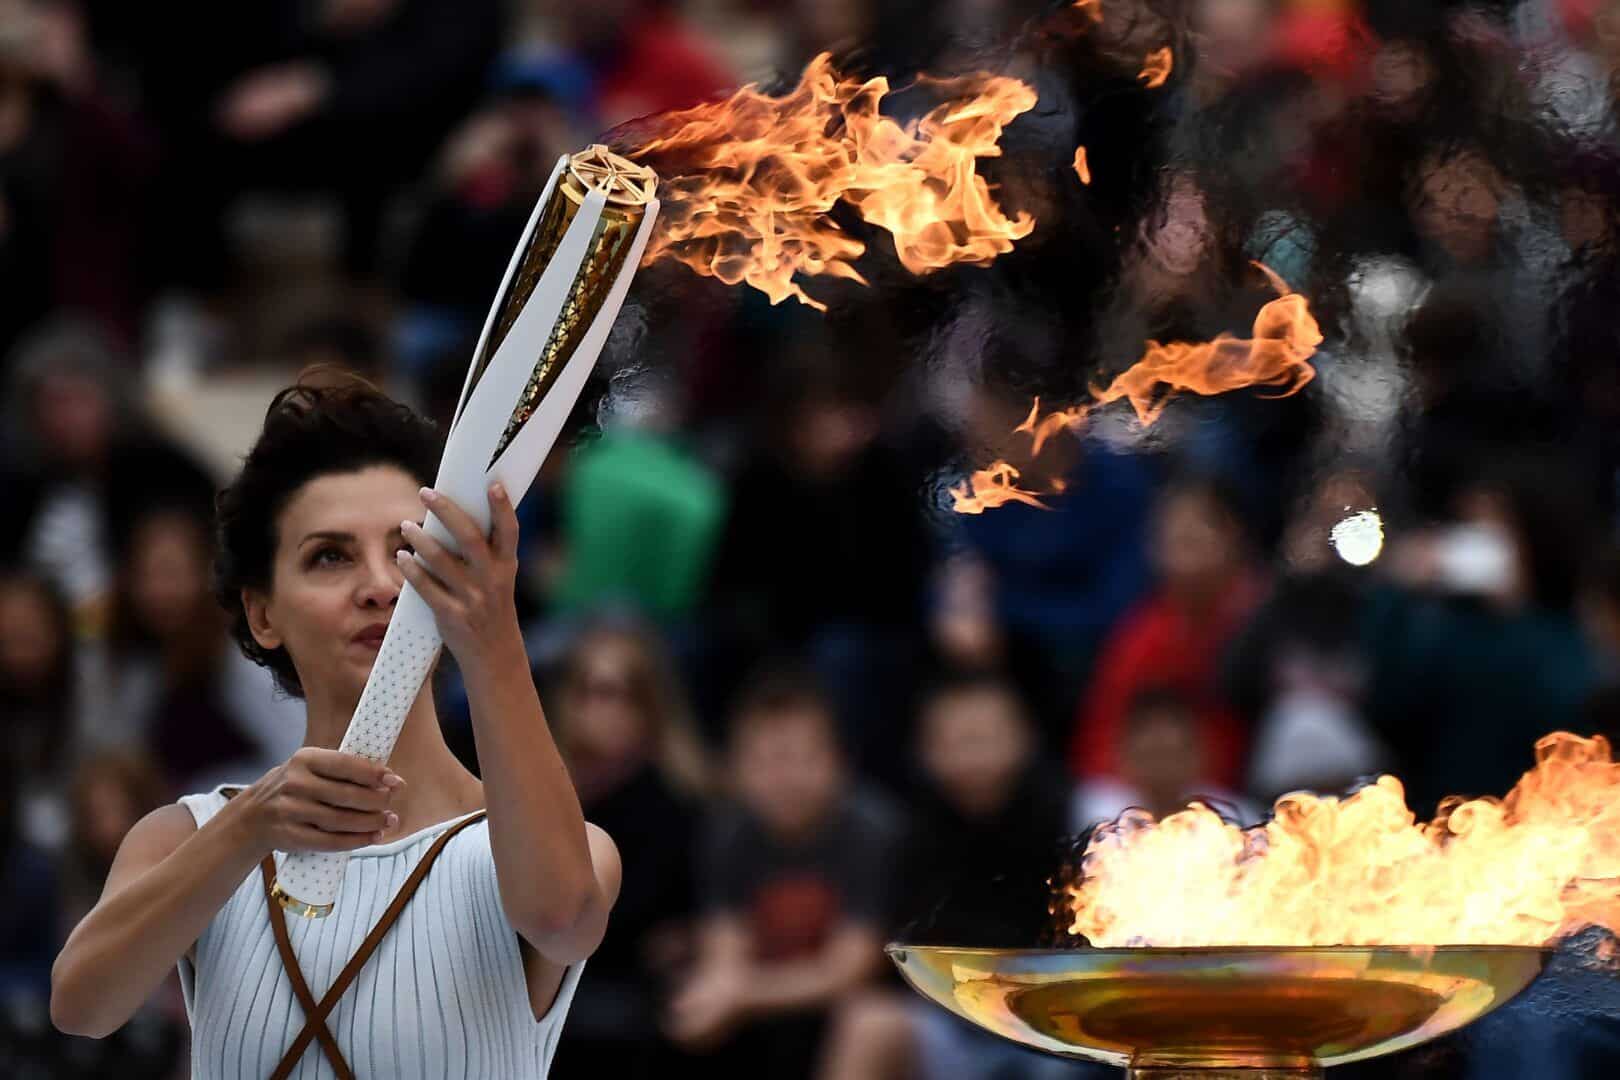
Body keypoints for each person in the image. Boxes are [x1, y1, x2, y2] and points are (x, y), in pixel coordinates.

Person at [50, 377, 621, 1078]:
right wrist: (251, 826)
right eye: (331, 556)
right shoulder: (190, 835)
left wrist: (494, 640)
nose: (381, 585)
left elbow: (563, 918)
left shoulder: (552, 846)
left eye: (408, 549)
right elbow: (81, 1006)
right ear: (263, 614)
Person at [817, 672, 1076, 1080]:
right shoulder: (907, 834)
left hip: (1052, 1029)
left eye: (984, 737)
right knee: (867, 1022)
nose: (972, 757)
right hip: (948, 1026)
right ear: (925, 750)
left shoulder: (1076, 817)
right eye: (956, 741)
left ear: (1025, 737)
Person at [668, 668, 901, 1080]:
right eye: (765, 761)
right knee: (689, 1016)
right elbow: (724, 950)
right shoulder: (727, 832)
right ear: (734, 770)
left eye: (799, 757)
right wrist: (716, 994)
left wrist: (739, 994)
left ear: (839, 761)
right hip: (768, 1001)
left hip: (855, 1007)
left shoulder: (872, 830)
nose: (784, 778)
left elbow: (850, 968)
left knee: (863, 1020)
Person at [546, 618, 708, 1080]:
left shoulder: (677, 800)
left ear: (652, 705)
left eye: (624, 694)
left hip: (629, 988)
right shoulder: (540, 793)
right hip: (550, 975)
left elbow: (646, 924)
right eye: (594, 691)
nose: (607, 709)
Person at [1069, 477, 1263, 791]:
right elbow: (1101, 735)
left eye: (1201, 523)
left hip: (1257, 796)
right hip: (1159, 792)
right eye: (1172, 527)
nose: (1184, 534)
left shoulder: (1265, 616)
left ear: (1235, 535)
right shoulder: (1145, 632)